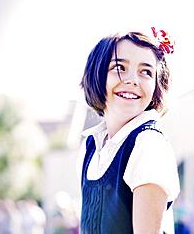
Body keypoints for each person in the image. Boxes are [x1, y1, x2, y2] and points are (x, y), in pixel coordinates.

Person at [76, 28, 180, 234]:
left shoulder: (148, 145)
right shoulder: (91, 145)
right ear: (97, 73)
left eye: (146, 72)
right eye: (119, 67)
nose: (133, 80)